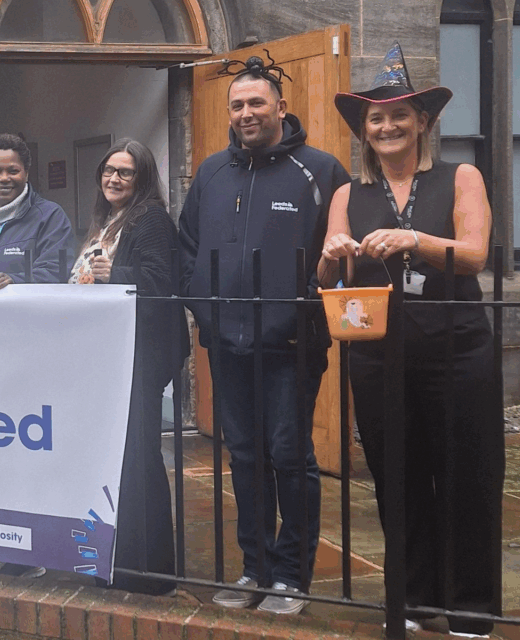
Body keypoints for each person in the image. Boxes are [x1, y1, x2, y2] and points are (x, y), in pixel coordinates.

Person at [321, 43, 503, 637]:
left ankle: (473, 607)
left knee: (467, 474)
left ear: (423, 122)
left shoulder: (461, 177)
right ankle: (417, 601)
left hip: (457, 351)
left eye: (400, 114)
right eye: (376, 117)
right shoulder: (349, 195)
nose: (388, 125)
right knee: (397, 478)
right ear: (364, 130)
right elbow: (332, 280)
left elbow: (474, 255)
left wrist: (412, 240)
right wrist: (333, 257)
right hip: (378, 357)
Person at [178, 56, 350, 613]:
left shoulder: (321, 172)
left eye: (256, 103)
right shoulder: (211, 172)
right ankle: (253, 569)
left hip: (291, 346)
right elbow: (188, 248)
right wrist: (205, 313)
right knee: (245, 456)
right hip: (226, 344)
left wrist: (302, 314)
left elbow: (338, 255)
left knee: (289, 456)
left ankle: (291, 577)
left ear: (280, 107)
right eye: (237, 105)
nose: (246, 113)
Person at [70, 138, 188, 596]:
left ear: (141, 179)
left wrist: (113, 276)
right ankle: (117, 558)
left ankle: (150, 569)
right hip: (110, 353)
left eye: (125, 172)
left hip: (141, 354)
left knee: (139, 457)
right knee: (116, 460)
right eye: (108, 171)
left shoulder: (151, 218)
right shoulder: (108, 222)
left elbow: (161, 282)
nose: (114, 179)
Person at [0, 134, 74, 287]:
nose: (4, 178)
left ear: (26, 173)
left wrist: (17, 280)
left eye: (13, 171)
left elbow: (57, 270)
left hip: (27, 310)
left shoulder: (50, 217)